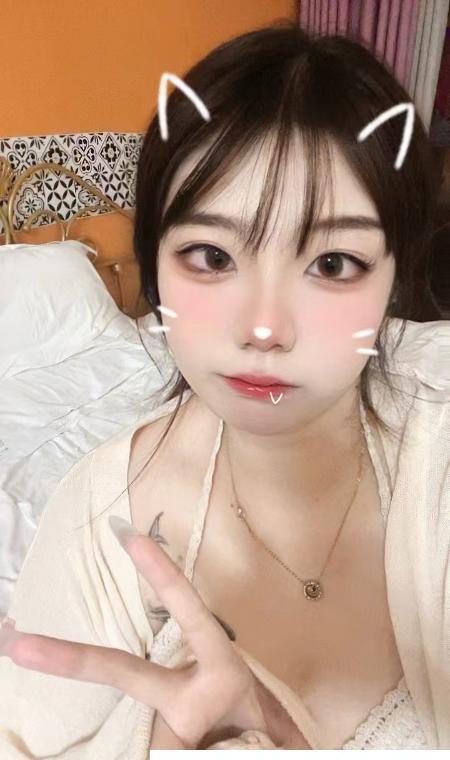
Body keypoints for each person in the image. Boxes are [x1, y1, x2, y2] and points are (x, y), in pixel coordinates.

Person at [0, 20, 449, 755]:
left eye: (333, 264)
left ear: (396, 277)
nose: (263, 328)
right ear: (153, 267)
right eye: (211, 256)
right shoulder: (100, 519)